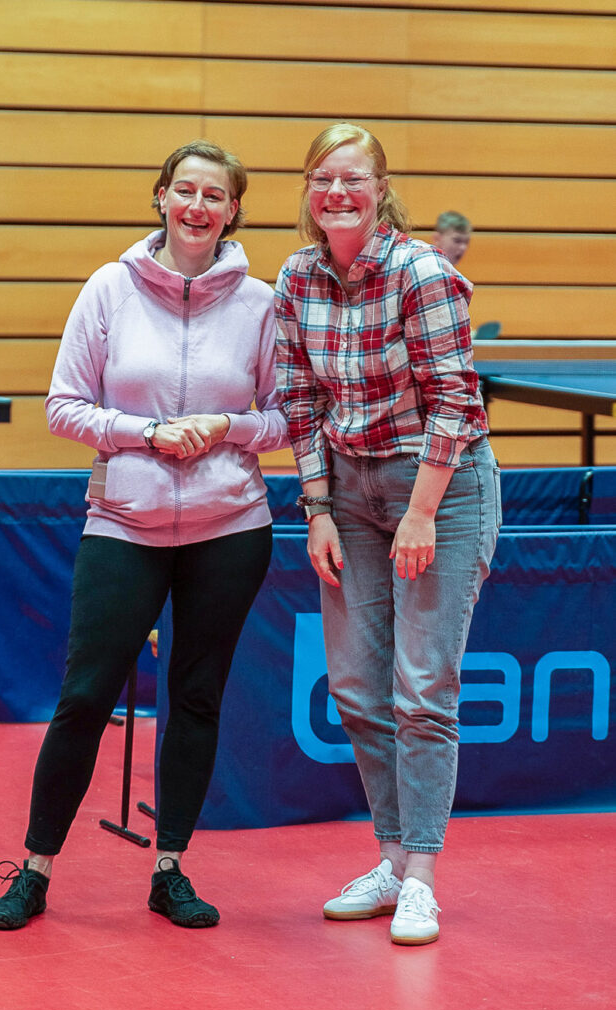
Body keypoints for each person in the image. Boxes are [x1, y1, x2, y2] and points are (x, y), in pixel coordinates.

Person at [0, 140, 288, 931]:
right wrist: (147, 434)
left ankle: (170, 868)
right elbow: (62, 405)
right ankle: (36, 870)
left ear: (232, 212)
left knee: (195, 698)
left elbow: (288, 415)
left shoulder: (259, 303)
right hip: (122, 523)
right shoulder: (109, 289)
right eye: (183, 190)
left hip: (231, 526)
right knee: (83, 697)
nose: (197, 207)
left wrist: (223, 425)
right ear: (159, 197)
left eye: (213, 196)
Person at [274, 124, 500, 946]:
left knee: (420, 691)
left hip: (438, 485)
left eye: (353, 179)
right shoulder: (297, 275)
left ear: (379, 187)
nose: (337, 192)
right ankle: (392, 858)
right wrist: (319, 508)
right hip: (350, 492)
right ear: (308, 188)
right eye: (322, 178)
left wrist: (421, 512)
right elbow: (299, 398)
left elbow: (455, 401)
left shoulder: (421, 271)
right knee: (358, 692)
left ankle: (423, 883)